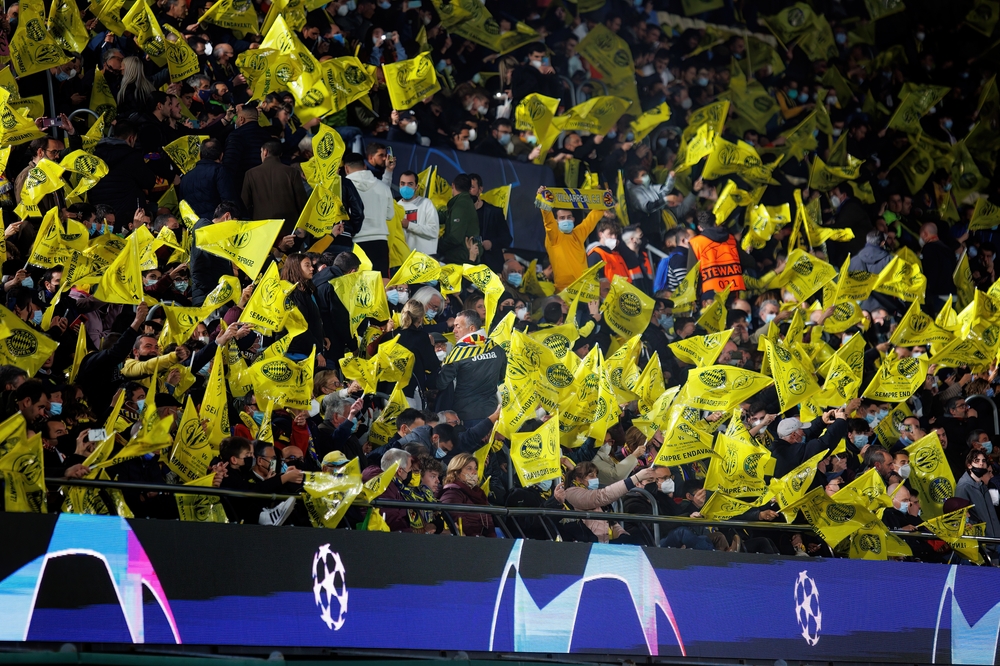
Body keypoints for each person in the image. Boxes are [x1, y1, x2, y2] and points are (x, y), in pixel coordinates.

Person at [563, 460, 660, 544]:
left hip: (606, 542)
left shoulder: (592, 493)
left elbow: (612, 523)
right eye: (591, 476)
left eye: (596, 475)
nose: (596, 479)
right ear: (578, 479)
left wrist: (622, 534)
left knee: (636, 538)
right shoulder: (571, 493)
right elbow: (602, 496)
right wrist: (635, 478)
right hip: (590, 543)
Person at [436, 309, 505, 422]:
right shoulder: (497, 348)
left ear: (472, 328)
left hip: (466, 416)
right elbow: (502, 376)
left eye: (458, 326)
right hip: (493, 413)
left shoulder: (458, 354)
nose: (454, 331)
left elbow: (441, 383)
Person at [538, 190, 604, 291]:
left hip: (584, 289)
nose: (566, 220)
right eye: (562, 218)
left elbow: (592, 218)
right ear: (556, 221)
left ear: (573, 219)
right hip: (564, 291)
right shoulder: (554, 237)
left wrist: (605, 200)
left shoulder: (578, 234)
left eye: (569, 217)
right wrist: (543, 199)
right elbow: (548, 221)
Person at [241, 140, 308, 231]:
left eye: (261, 152)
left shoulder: (250, 174)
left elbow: (245, 203)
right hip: (288, 225)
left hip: (261, 226)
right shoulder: (292, 172)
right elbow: (301, 201)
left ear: (265, 152)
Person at [344, 151, 393, 275]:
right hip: (380, 242)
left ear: (346, 168)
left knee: (359, 285)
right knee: (382, 285)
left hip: (356, 243)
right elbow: (390, 215)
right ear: (364, 166)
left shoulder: (342, 187)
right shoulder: (383, 187)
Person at [687, 210, 751, 293]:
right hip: (734, 289)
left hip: (710, 293)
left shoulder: (695, 243)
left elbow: (691, 275)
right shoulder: (731, 238)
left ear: (699, 227)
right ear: (715, 223)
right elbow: (748, 261)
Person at [190, 201, 240, 305]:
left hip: (216, 297)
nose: (234, 230)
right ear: (227, 216)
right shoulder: (206, 231)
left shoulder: (218, 238)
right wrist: (214, 291)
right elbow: (199, 270)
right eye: (234, 223)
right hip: (208, 299)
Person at [179, 138, 240, 219]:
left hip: (197, 227)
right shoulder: (220, 171)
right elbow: (229, 200)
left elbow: (183, 207)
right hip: (217, 225)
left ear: (200, 155)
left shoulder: (185, 178)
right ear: (221, 155)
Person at [437, 453, 495, 537]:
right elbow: (455, 517)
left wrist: (491, 538)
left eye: (475, 468)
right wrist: (474, 536)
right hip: (467, 542)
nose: (474, 472)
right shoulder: (451, 492)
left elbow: (489, 521)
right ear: (456, 472)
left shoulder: (479, 493)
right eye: (469, 468)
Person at [223, 105, 274, 192]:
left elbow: (229, 164)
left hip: (242, 185)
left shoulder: (236, 135)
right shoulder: (267, 135)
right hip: (265, 183)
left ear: (242, 119)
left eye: (237, 117)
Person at [470, 173, 511, 273]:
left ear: (480, 189)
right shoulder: (460, 212)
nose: (468, 191)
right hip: (468, 265)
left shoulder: (494, 212)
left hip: (490, 266)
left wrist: (491, 244)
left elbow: (507, 239)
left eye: (471, 187)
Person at [956, 448, 1000, 539]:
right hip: (981, 542)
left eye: (983, 461)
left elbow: (992, 515)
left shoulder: (982, 486)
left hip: (994, 539)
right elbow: (962, 518)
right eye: (977, 461)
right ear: (969, 465)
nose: (981, 463)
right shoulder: (963, 487)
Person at [439, 173, 483, 265]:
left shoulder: (461, 205)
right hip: (463, 255)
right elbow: (446, 216)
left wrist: (437, 245)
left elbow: (455, 238)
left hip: (461, 258)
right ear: (469, 189)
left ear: (453, 185)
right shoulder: (462, 203)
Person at [397, 170, 439, 255]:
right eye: (402, 183)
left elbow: (433, 231)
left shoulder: (426, 204)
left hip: (425, 258)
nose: (405, 187)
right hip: (404, 259)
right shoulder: (396, 206)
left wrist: (409, 225)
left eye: (410, 184)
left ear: (417, 186)